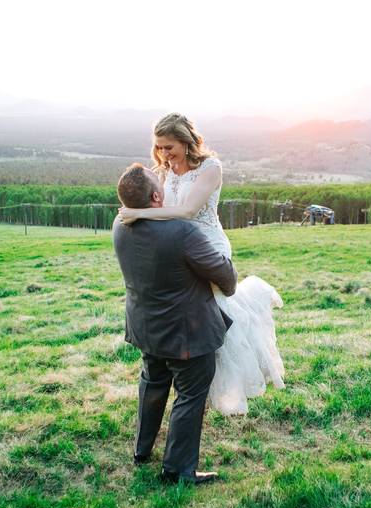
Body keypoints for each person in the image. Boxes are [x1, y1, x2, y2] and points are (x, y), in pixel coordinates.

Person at [118, 113, 285, 415]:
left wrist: (138, 213)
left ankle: (214, 390)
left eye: (169, 147)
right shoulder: (166, 170)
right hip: (177, 249)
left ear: (186, 141)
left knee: (212, 317)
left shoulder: (211, 168)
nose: (164, 155)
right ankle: (193, 387)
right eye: (159, 148)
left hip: (207, 247)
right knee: (192, 315)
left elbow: (186, 211)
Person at [112, 163, 237, 484]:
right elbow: (225, 278)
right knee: (190, 394)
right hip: (186, 332)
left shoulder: (120, 224)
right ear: (156, 196)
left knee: (152, 383)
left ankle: (141, 449)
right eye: (162, 184)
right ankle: (177, 469)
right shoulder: (182, 232)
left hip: (146, 326)